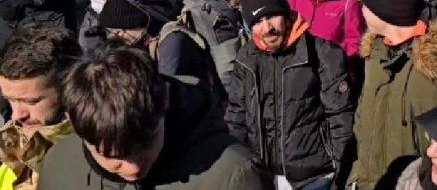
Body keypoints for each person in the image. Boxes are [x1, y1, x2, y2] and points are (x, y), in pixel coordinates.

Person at [39, 46, 271, 189]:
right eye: (112, 156)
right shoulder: (59, 165)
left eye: (145, 144)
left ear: (165, 100)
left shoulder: (232, 175)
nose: (132, 169)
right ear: (74, 124)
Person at [348, 0, 437, 189]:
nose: (361, 9)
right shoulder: (374, 56)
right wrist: (356, 178)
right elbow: (362, 126)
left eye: (366, 4)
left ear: (384, 11)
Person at [228, 0, 354, 190]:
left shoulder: (322, 53)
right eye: (258, 21)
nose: (267, 28)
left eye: (272, 17)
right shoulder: (246, 58)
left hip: (315, 177)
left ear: (286, 15)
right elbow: (237, 116)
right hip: (263, 175)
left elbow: (340, 117)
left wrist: (339, 171)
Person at [99, 0, 224, 97]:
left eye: (121, 31)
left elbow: (164, 93)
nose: (116, 37)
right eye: (111, 32)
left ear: (143, 24)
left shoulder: (172, 42)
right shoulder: (141, 39)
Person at [0, 26, 81, 190]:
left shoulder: (102, 152)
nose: (16, 116)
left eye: (31, 101)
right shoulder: (11, 146)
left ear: (69, 88)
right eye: (10, 100)